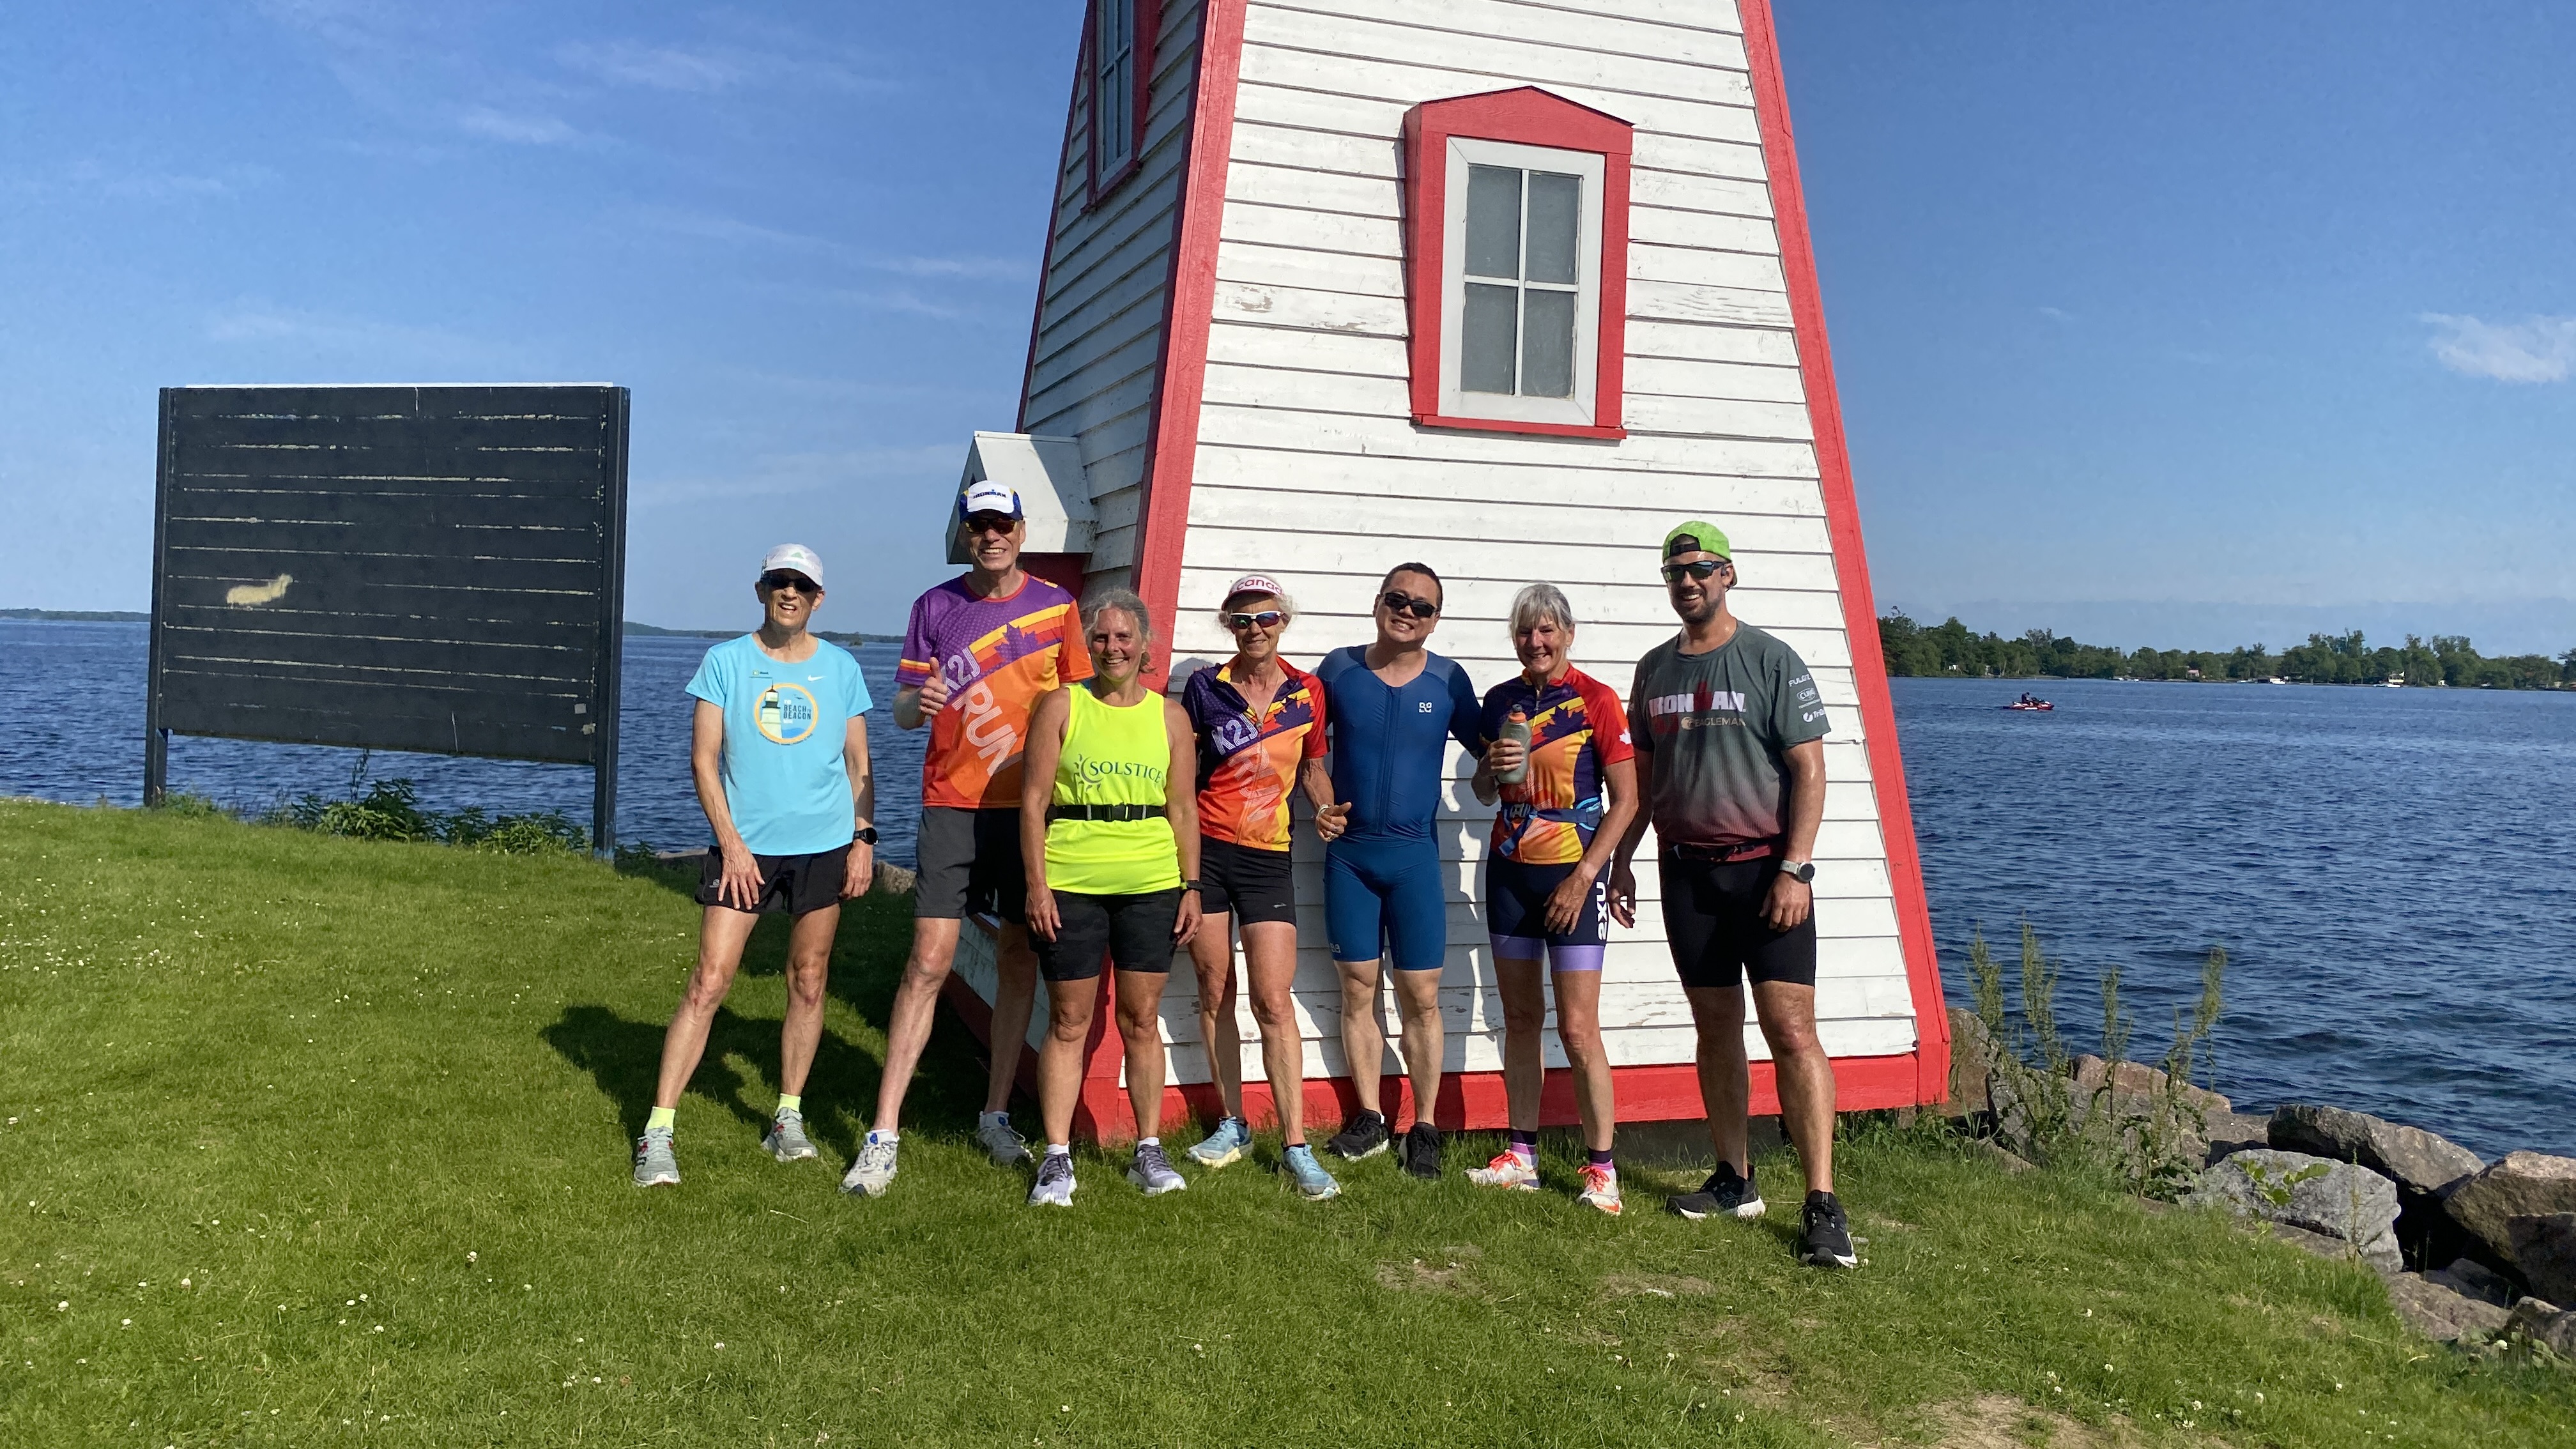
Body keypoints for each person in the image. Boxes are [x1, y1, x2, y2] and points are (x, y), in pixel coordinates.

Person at [1607, 521, 1855, 1268]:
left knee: (1791, 1030)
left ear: (1728, 575)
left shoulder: (1771, 660)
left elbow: (1809, 770)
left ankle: (1822, 1202)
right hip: (1687, 874)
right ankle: (1734, 1178)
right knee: (1715, 1028)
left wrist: (1796, 868)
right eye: (1675, 572)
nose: (1688, 582)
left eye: (1701, 569)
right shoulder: (1653, 671)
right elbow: (1645, 781)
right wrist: (1623, 860)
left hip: (1765, 871)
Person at [842, 479, 1088, 1197]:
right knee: (929, 959)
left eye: (1002, 524)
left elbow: (1079, 705)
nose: (992, 536)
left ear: (1021, 530)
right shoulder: (934, 607)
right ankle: (883, 1133)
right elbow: (899, 711)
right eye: (979, 525)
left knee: (1018, 955)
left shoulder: (1059, 607)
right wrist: (913, 703)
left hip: (1030, 810)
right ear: (966, 534)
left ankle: (994, 1114)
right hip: (951, 802)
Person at [634, 544, 875, 1188]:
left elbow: (859, 765)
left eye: (801, 584)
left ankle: (787, 1118)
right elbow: (703, 760)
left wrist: (863, 839)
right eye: (778, 581)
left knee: (809, 979)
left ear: (818, 598)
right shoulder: (726, 662)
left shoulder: (842, 668)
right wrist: (733, 844)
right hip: (744, 848)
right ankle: (658, 1131)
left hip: (824, 846)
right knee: (709, 981)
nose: (789, 592)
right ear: (761, 590)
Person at [1018, 588, 1202, 1205]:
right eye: (1101, 637)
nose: (1112, 648)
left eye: (1124, 637)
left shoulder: (1170, 718)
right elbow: (1033, 803)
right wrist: (1038, 886)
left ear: (1145, 645)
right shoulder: (1061, 706)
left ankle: (1147, 1150)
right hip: (1071, 880)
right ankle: (1056, 1158)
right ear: (1088, 644)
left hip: (1151, 883)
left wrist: (1191, 886)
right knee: (1069, 1021)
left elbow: (1183, 808)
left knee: (1141, 1020)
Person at [1463, 584, 1638, 1214]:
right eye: (1525, 632)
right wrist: (1489, 767)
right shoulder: (1500, 701)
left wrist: (1587, 876)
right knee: (1520, 1019)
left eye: (1546, 631)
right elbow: (1484, 790)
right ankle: (1522, 1157)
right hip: (1510, 871)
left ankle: (1602, 1171)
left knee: (1579, 1028)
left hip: (1572, 874)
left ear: (1567, 634)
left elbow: (1628, 800)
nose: (1535, 642)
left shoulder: (1596, 699)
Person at [1173, 574, 1342, 1200]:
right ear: (1229, 626)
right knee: (1215, 989)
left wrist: (1323, 809)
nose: (1255, 629)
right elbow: (1181, 775)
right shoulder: (1205, 688)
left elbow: (1314, 767)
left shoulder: (1308, 691)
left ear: (1283, 622)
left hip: (1269, 857)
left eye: (1265, 617)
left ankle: (1296, 1145)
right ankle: (1232, 1124)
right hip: (1209, 852)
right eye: (1242, 619)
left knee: (1273, 1000)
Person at [1312, 564, 1482, 1179]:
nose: (1408, 611)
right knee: (1357, 987)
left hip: (1414, 859)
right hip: (1351, 856)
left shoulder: (1448, 679)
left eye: (1422, 606)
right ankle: (1369, 1118)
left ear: (1436, 620)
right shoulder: (1338, 670)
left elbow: (1492, 756)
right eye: (1397, 599)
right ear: (1378, 602)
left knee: (1422, 996)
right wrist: (1320, 803)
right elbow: (1309, 754)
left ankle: (1426, 1127)